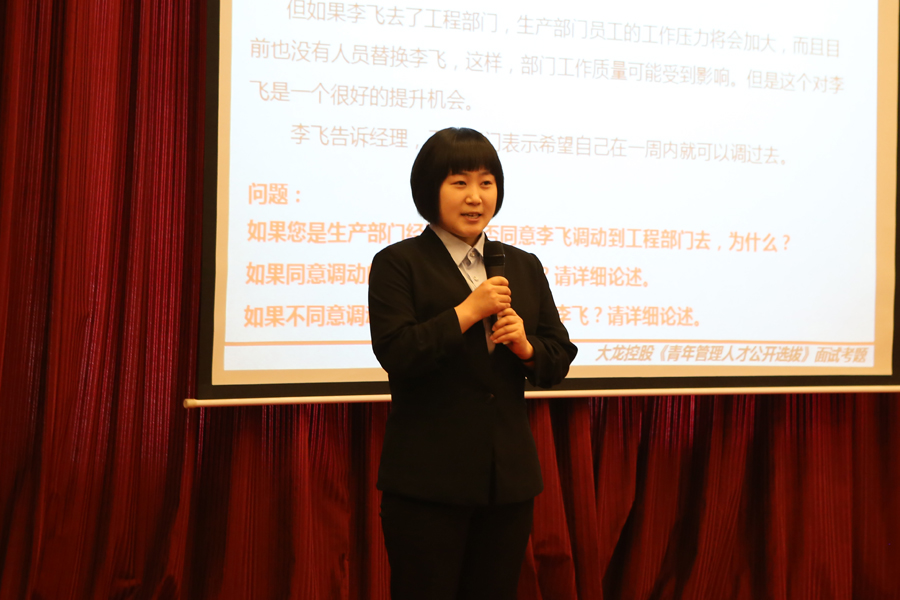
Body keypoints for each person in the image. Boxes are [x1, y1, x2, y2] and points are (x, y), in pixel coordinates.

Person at [368, 127, 577, 600]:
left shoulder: (522, 264)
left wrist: (525, 347)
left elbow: (558, 357)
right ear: (430, 190)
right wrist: (466, 312)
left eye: (486, 182)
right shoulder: (398, 263)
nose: (475, 197)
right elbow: (397, 352)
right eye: (459, 182)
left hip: (507, 483)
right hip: (427, 484)